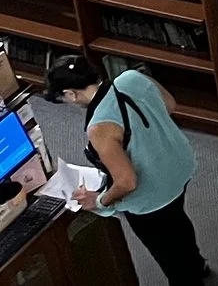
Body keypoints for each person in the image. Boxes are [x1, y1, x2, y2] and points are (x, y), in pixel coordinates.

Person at [45, 55, 205, 285]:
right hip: (178, 165)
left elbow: (127, 182)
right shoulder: (132, 77)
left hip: (152, 195)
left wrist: (99, 202)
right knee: (177, 220)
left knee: (167, 251)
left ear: (70, 93)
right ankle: (197, 265)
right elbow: (170, 104)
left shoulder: (99, 127)